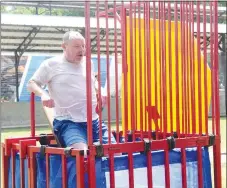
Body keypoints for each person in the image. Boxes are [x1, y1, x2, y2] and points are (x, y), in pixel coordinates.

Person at [27, 31, 116, 151]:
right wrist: (43, 94)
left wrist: (101, 90)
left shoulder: (88, 62)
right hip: (68, 122)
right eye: (76, 46)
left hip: (94, 121)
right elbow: (32, 83)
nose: (82, 50)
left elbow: (93, 81)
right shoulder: (51, 64)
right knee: (81, 154)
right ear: (64, 46)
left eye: (83, 46)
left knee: (115, 152)